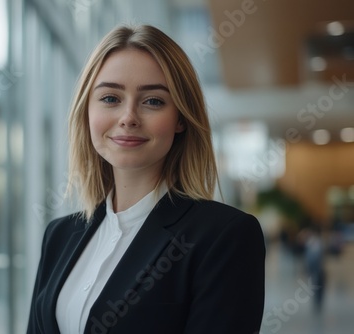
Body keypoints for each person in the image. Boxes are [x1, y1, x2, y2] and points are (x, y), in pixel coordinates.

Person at [27, 24, 265, 334]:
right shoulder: (59, 236)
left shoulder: (224, 237)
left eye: (153, 101)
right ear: (87, 111)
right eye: (110, 98)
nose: (128, 117)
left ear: (180, 118)